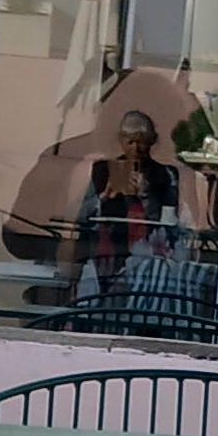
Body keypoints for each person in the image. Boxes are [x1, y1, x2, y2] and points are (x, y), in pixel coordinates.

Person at [70, 106, 183, 307]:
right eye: (130, 141)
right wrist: (103, 198)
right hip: (105, 257)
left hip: (146, 261)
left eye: (142, 142)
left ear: (152, 142)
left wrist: (147, 196)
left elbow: (170, 224)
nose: (135, 149)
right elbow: (81, 218)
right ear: (121, 141)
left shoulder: (165, 175)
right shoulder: (103, 170)